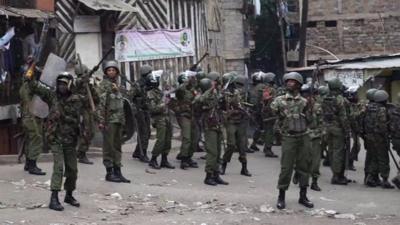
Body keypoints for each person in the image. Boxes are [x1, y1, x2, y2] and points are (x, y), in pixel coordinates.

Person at [25, 71, 82, 211]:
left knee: (72, 170)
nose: (61, 86)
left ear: (70, 84)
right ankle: (54, 198)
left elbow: (87, 109)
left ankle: (69, 194)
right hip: (56, 138)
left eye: (64, 83)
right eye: (59, 83)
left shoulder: (76, 99)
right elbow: (35, 87)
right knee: (58, 167)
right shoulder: (52, 96)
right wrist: (30, 75)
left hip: (70, 139)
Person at [271, 72, 313, 210]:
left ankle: (303, 196)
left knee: (304, 166)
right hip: (288, 137)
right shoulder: (279, 100)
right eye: (288, 81)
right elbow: (270, 113)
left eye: (293, 81)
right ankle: (281, 196)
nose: (289, 83)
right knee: (286, 168)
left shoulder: (305, 101)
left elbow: (311, 120)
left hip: (303, 136)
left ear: (299, 85)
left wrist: (312, 107)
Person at [97, 60, 130, 183]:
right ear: (106, 72)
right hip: (109, 120)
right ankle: (109, 172)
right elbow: (100, 104)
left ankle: (118, 171)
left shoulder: (118, 86)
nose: (111, 72)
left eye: (113, 70)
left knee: (117, 147)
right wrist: (101, 121)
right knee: (109, 147)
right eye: (109, 70)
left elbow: (123, 103)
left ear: (117, 72)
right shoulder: (103, 85)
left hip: (119, 120)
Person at [196, 74, 229, 186]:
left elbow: (223, 106)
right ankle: (208, 176)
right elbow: (200, 101)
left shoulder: (215, 95)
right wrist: (210, 90)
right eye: (211, 84)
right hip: (209, 127)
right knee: (212, 152)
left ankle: (216, 175)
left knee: (218, 152)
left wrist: (222, 97)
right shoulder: (201, 96)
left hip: (217, 125)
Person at [220, 74, 252, 177]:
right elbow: (221, 107)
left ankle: (244, 168)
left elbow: (249, 105)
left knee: (242, 146)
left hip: (241, 121)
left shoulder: (243, 93)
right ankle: (223, 165)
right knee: (231, 144)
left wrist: (246, 110)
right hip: (231, 121)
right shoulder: (224, 94)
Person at [361, 90, 394, 188]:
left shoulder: (368, 107)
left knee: (374, 158)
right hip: (379, 137)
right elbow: (382, 125)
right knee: (383, 158)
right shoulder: (382, 110)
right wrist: (387, 135)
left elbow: (363, 121)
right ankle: (385, 180)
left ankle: (370, 178)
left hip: (369, 137)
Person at [321, 78, 350, 185]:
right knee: (338, 152)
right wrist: (347, 131)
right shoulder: (339, 99)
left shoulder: (325, 98)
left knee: (332, 151)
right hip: (338, 129)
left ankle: (335, 174)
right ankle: (337, 176)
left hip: (327, 128)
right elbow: (343, 117)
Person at [19, 61, 46, 175]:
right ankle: (32, 166)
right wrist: (32, 67)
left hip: (28, 116)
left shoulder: (25, 86)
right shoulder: (28, 85)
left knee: (30, 140)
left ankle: (28, 164)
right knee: (36, 138)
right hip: (30, 116)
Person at [145, 73, 175, 169]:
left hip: (166, 117)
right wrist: (163, 104)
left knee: (168, 139)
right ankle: (153, 159)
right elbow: (153, 108)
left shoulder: (159, 92)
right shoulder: (150, 94)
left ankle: (164, 159)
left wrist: (169, 98)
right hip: (159, 118)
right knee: (161, 140)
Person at [175, 71, 198, 169]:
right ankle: (184, 159)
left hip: (192, 115)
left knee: (194, 138)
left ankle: (189, 156)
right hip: (184, 115)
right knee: (187, 138)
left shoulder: (192, 90)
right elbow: (180, 89)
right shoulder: (181, 90)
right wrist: (186, 81)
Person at [75, 64, 97, 165]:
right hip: (80, 111)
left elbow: (96, 98)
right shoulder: (76, 83)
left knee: (91, 132)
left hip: (88, 110)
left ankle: (81, 152)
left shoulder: (88, 84)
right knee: (86, 132)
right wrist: (84, 79)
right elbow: (78, 83)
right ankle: (81, 153)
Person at [131, 65, 153, 163]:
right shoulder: (138, 84)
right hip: (139, 111)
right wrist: (135, 108)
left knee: (147, 132)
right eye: (150, 73)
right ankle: (142, 153)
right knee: (144, 132)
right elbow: (130, 96)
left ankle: (137, 151)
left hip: (145, 110)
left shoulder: (148, 84)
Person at [260, 72, 278, 158]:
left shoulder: (270, 88)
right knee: (269, 132)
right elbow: (265, 98)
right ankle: (268, 149)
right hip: (269, 113)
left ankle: (267, 147)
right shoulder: (268, 89)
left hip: (269, 112)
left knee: (269, 131)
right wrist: (273, 97)